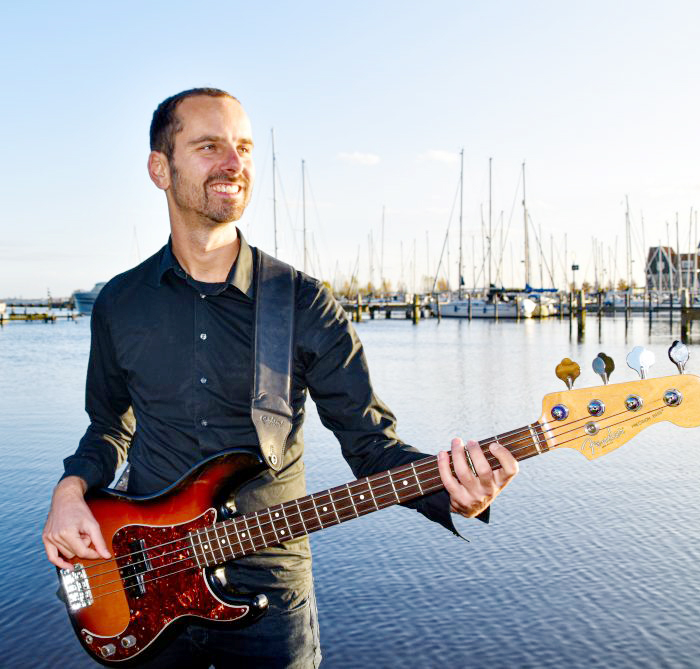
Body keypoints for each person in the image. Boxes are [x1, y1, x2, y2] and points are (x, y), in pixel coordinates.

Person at [42, 88, 518, 668]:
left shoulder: (303, 303)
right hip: (144, 588)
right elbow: (108, 428)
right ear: (159, 169)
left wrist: (453, 491)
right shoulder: (120, 303)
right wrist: (69, 492)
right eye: (209, 146)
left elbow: (372, 447)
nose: (234, 163)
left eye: (243, 148)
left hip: (271, 601)